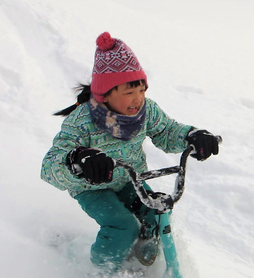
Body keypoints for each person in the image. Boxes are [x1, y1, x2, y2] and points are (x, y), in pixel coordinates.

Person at [41, 31, 219, 273]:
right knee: (123, 226)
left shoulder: (146, 111)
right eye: (128, 92)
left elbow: (166, 130)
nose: (138, 99)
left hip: (130, 180)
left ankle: (143, 253)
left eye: (141, 90)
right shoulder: (82, 122)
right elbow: (49, 168)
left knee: (157, 214)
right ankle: (101, 270)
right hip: (93, 189)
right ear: (105, 94)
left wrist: (191, 136)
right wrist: (78, 160)